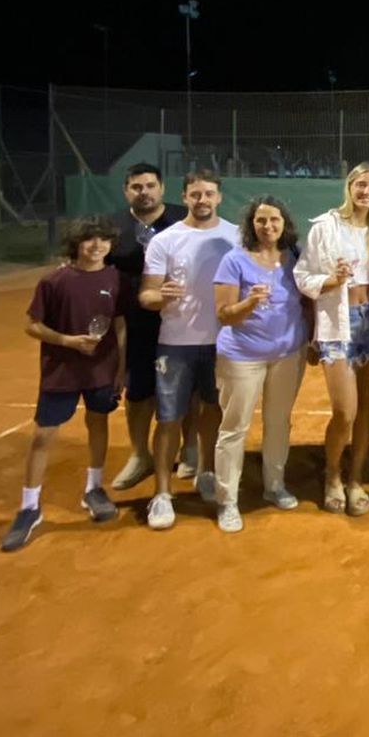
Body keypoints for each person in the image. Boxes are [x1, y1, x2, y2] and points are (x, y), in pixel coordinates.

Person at [0, 216, 127, 552]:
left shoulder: (115, 278)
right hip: (61, 371)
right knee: (43, 436)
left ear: (111, 245)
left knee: (98, 424)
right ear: (76, 244)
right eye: (89, 240)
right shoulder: (54, 281)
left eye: (103, 240)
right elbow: (32, 326)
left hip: (102, 370)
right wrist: (68, 341)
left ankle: (94, 489)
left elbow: (120, 327)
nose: (96, 246)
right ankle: (29, 508)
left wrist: (121, 370)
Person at [138, 170, 239, 530]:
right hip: (175, 344)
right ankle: (162, 494)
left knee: (213, 412)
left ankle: (207, 472)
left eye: (209, 194)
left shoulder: (235, 236)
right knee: (168, 419)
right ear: (185, 196)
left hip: (222, 343)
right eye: (195, 194)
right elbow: (146, 294)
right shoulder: (165, 240)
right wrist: (158, 296)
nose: (202, 200)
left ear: (219, 197)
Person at [210, 195, 310, 533]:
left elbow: (306, 303)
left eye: (274, 220)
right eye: (261, 221)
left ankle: (274, 486)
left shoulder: (295, 258)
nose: (268, 226)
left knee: (278, 423)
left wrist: (309, 341)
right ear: (251, 225)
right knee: (234, 428)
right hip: (241, 357)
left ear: (285, 224)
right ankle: (228, 501)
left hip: (287, 355)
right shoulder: (234, 261)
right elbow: (223, 315)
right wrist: (250, 302)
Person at [295, 162, 369, 517]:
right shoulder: (325, 227)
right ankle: (332, 474)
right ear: (349, 187)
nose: (367, 192)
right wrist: (329, 282)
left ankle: (356, 479)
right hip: (337, 325)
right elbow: (302, 274)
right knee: (344, 411)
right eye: (361, 185)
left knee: (366, 408)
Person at [105, 163, 186, 491]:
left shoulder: (183, 219)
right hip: (135, 323)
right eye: (137, 187)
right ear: (126, 191)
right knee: (138, 391)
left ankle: (190, 451)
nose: (145, 192)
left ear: (162, 188)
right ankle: (140, 455)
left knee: (189, 389)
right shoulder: (113, 227)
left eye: (150, 185)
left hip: (183, 320)